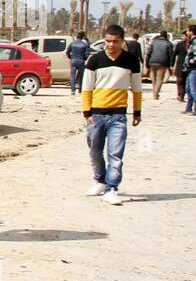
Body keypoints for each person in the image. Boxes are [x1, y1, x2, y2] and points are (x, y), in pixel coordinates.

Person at [82, 24, 142, 205]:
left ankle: (111, 188)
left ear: (122, 41)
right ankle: (99, 181)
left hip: (118, 115)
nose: (111, 45)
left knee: (115, 154)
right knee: (95, 151)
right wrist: (87, 113)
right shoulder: (94, 61)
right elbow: (86, 89)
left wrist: (137, 112)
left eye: (115, 41)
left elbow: (137, 89)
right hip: (96, 115)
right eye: (108, 41)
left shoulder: (131, 61)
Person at [145, 30, 172, 100]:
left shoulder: (153, 43)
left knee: (153, 79)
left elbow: (148, 54)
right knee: (159, 79)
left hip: (152, 62)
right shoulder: (168, 44)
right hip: (162, 63)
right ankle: (155, 94)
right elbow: (170, 55)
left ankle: (155, 93)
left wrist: (147, 64)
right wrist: (169, 65)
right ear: (166, 36)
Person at [67, 31, 91, 95]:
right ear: (82, 37)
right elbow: (88, 53)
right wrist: (84, 58)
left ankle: (72, 90)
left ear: (76, 37)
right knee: (81, 76)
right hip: (81, 61)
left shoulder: (72, 44)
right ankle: (80, 90)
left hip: (73, 60)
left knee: (73, 76)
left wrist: (70, 57)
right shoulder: (84, 44)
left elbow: (67, 52)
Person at [175, 26, 192, 105]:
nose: (182, 37)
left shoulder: (190, 44)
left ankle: (183, 94)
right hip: (180, 65)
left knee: (185, 81)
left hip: (189, 65)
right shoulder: (179, 44)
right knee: (179, 80)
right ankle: (180, 95)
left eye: (184, 36)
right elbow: (174, 54)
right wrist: (171, 64)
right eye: (181, 36)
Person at [183, 26, 196, 114]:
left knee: (193, 90)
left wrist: (190, 62)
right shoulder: (191, 41)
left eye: (188, 31)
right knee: (188, 89)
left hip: (193, 68)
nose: (187, 32)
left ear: (191, 31)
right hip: (189, 69)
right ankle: (188, 108)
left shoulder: (195, 41)